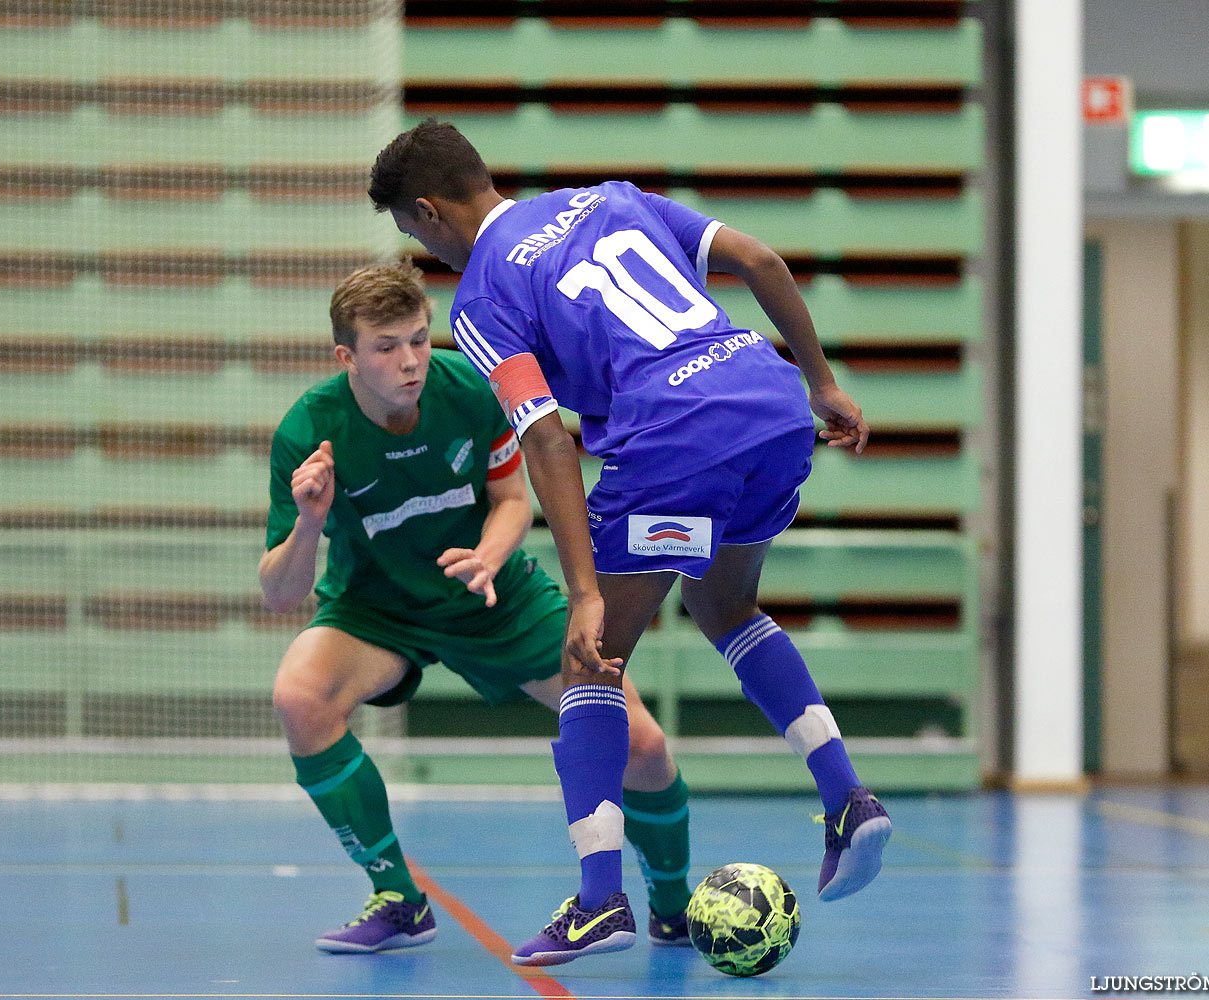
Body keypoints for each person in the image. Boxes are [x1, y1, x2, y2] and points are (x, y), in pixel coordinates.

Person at [369, 119, 894, 968]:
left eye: (413, 235)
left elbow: (545, 440)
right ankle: (847, 798)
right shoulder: (611, 197)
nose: (426, 251)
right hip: (769, 404)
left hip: (675, 442)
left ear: (428, 212)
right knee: (725, 604)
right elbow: (761, 262)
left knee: (593, 658)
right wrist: (823, 382)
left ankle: (598, 898)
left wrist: (582, 591)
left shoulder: (482, 300)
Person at [260, 260, 695, 956]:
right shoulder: (309, 433)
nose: (410, 361)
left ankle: (673, 909)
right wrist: (310, 520)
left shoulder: (469, 389)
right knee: (299, 696)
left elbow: (513, 500)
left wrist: (490, 557)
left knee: (639, 742)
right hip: (379, 608)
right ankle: (399, 900)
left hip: (495, 597)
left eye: (418, 339)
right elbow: (282, 592)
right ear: (346, 356)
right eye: (386, 347)